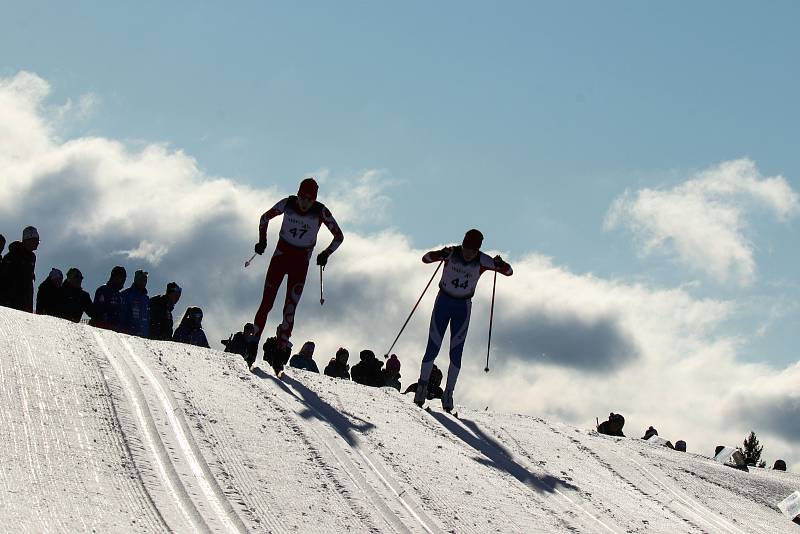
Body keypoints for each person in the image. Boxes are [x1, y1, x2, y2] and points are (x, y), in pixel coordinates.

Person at [412, 229, 513, 411]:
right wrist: (440, 254)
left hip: (462, 307)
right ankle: (422, 387)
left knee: (456, 353)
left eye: (472, 250)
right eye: (466, 248)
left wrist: (500, 263)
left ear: (478, 249)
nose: (468, 253)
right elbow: (425, 258)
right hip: (443, 302)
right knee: (432, 347)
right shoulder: (452, 252)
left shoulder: (482, 259)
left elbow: (509, 272)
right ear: (463, 243)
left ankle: (448, 393)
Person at [252, 178, 344, 347]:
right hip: (281, 258)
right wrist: (262, 241)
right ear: (298, 195)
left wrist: (326, 253)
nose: (304, 203)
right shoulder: (288, 203)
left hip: (300, 264)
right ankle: (253, 341)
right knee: (267, 303)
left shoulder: (320, 211)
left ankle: (282, 345)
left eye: (309, 199)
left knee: (290, 309)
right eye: (302, 197)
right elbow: (264, 218)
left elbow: (339, 236)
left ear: (314, 199)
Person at [0, 226, 40, 312]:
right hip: (11, 304)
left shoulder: (32, 257)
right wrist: (6, 301)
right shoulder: (12, 256)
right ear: (27, 239)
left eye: (38, 240)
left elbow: (28, 282)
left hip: (24, 304)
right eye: (35, 240)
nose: (37, 243)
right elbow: (4, 280)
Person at [89, 266, 127, 331]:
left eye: (124, 279)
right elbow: (97, 312)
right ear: (114, 277)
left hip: (116, 332)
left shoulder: (120, 295)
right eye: (122, 278)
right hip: (103, 330)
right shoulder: (103, 290)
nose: (123, 281)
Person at [119, 270, 150, 337]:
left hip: (144, 337)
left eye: (145, 280)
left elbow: (147, 318)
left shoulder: (146, 298)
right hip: (128, 335)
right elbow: (122, 315)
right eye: (141, 279)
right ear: (136, 280)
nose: (144, 282)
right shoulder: (126, 294)